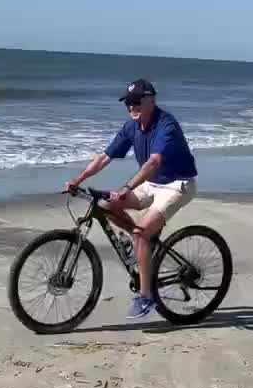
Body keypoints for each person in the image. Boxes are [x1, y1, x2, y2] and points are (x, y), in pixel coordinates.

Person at [65, 78, 198, 319]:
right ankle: (138, 242)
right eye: (127, 103)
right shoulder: (131, 127)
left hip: (177, 185)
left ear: (151, 100)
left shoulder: (166, 124)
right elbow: (105, 157)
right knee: (106, 205)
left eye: (136, 101)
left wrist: (127, 187)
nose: (131, 107)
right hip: (151, 183)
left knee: (141, 233)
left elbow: (154, 161)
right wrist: (79, 178)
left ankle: (146, 296)